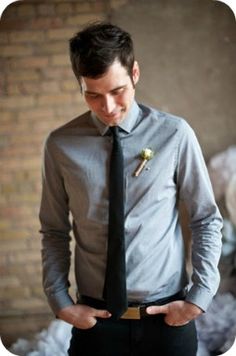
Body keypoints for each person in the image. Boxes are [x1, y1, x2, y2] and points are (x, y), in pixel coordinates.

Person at [39, 22, 223, 356]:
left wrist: (200, 296)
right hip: (96, 321)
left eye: (117, 90)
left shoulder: (175, 135)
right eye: (92, 94)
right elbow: (53, 230)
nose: (107, 107)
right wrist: (61, 302)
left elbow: (206, 219)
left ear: (135, 73)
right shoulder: (59, 145)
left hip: (167, 319)